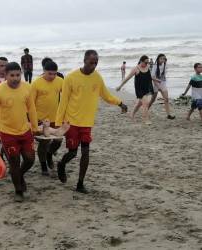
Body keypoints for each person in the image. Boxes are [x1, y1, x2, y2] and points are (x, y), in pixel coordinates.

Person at [55, 50, 128, 193]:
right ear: (84, 60)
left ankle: (80, 184)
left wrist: (120, 103)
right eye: (91, 62)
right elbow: (63, 102)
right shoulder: (71, 77)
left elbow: (106, 95)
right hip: (72, 121)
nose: (93, 65)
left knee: (86, 152)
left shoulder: (97, 78)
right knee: (72, 153)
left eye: (96, 63)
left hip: (87, 123)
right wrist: (58, 123)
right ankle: (61, 164)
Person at [0, 62, 39, 202]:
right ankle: (18, 191)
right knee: (14, 162)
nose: (15, 78)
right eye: (12, 75)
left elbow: (31, 109)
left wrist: (35, 127)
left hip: (24, 130)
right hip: (7, 132)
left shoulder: (27, 88)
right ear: (5, 75)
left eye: (18, 75)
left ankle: (19, 175)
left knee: (30, 159)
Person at [31, 60, 64, 176]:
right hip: (41, 120)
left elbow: (67, 95)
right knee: (44, 143)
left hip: (56, 118)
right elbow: (30, 103)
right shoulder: (36, 83)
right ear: (44, 71)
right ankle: (43, 165)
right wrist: (33, 120)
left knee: (59, 140)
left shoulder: (60, 81)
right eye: (50, 73)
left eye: (55, 74)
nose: (52, 76)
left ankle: (50, 154)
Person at [116, 55, 154, 124]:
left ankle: (132, 114)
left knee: (139, 103)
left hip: (146, 88)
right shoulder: (135, 69)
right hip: (139, 89)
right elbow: (127, 79)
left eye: (148, 63)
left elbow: (150, 77)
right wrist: (120, 86)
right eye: (146, 62)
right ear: (141, 61)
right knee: (145, 103)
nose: (147, 64)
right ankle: (146, 120)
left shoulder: (148, 67)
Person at [148, 54, 175, 119]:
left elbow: (164, 75)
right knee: (153, 99)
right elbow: (152, 77)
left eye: (164, 59)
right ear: (158, 59)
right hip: (156, 83)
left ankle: (168, 115)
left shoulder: (165, 65)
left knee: (166, 99)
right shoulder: (155, 66)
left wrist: (161, 84)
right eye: (161, 59)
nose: (162, 60)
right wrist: (158, 85)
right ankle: (146, 110)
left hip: (163, 83)